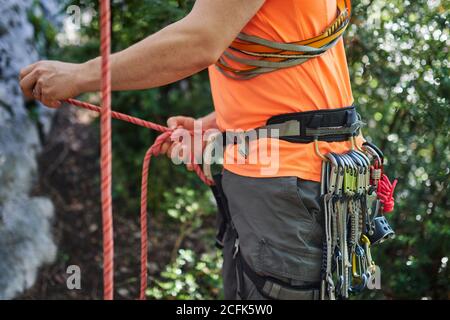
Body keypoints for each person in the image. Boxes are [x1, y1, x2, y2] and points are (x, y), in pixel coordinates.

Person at [20, 0, 362, 300]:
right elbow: (296, 76)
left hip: (290, 186)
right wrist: (219, 125)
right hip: (305, 180)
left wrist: (82, 74)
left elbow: (201, 40)